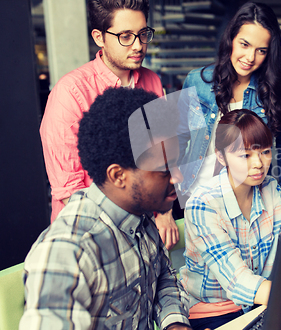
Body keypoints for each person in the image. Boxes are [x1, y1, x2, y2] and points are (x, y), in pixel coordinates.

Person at [20, 87, 191, 330]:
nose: (179, 177)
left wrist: (175, 324)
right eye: (165, 170)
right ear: (118, 176)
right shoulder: (69, 252)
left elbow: (163, 277)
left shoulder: (139, 214)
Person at [39, 0, 179, 248]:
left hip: (144, 230)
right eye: (125, 36)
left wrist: (164, 211)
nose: (138, 45)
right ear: (99, 37)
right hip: (90, 237)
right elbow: (71, 191)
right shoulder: (71, 92)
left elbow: (163, 156)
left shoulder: (151, 81)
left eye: (143, 33)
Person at [179, 109, 281, 330]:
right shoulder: (203, 204)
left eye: (264, 152)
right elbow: (238, 281)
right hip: (212, 311)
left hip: (259, 303)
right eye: (246, 155)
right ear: (221, 156)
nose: (259, 164)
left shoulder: (270, 187)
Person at [177, 2, 281, 205]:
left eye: (261, 50)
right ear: (231, 39)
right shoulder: (196, 81)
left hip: (249, 199)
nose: (250, 58)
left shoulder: (278, 90)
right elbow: (177, 140)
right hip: (195, 195)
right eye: (244, 44)